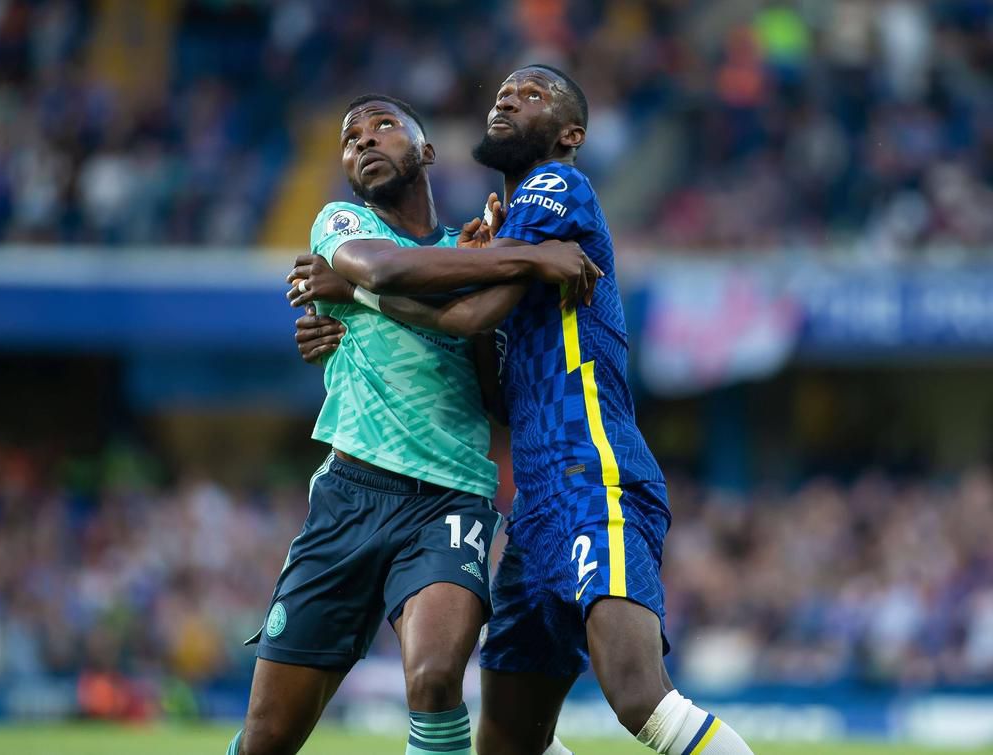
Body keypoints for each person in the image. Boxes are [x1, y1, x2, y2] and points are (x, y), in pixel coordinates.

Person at [297, 66, 755, 755]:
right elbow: (488, 380)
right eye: (504, 91)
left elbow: (471, 311)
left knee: (639, 697)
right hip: (538, 501)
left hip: (591, 466)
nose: (509, 97)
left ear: (572, 134)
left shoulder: (554, 185)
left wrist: (356, 287)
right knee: (508, 740)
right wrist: (347, 316)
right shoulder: (502, 237)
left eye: (533, 93)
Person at [227, 93, 597, 755]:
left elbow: (493, 390)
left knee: (433, 677)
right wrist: (525, 257)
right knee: (266, 738)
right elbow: (384, 268)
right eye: (351, 137)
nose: (364, 141)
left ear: (426, 152)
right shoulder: (341, 225)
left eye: (383, 126)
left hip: (448, 499)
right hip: (347, 498)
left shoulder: (465, 250)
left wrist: (495, 269)